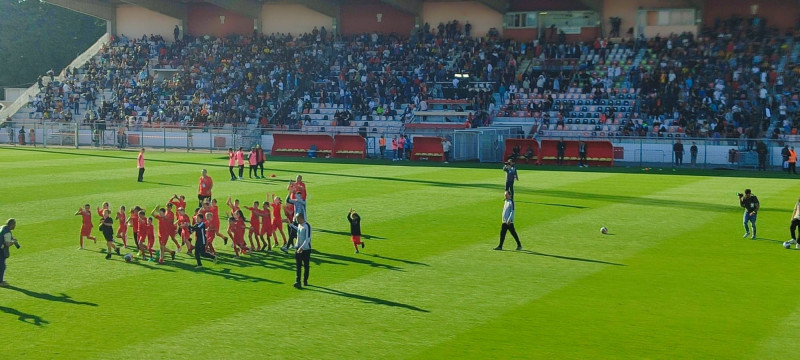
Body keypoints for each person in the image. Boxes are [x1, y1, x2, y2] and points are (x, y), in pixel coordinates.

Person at [290, 213, 312, 289]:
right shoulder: (299, 225)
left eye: (297, 218)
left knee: (306, 265)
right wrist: (290, 224)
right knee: (298, 266)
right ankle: (297, 281)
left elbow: (307, 239)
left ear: (301, 218)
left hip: (306, 250)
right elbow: (298, 230)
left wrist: (302, 247)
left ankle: (305, 281)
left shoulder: (307, 226)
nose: (296, 220)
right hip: (298, 248)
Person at [0, 218, 19, 287]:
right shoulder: (7, 232)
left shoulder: (2, 227)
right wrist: (13, 242)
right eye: (15, 224)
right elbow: (8, 244)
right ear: (12, 225)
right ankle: (0, 282)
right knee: (2, 266)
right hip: (0, 251)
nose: (15, 226)